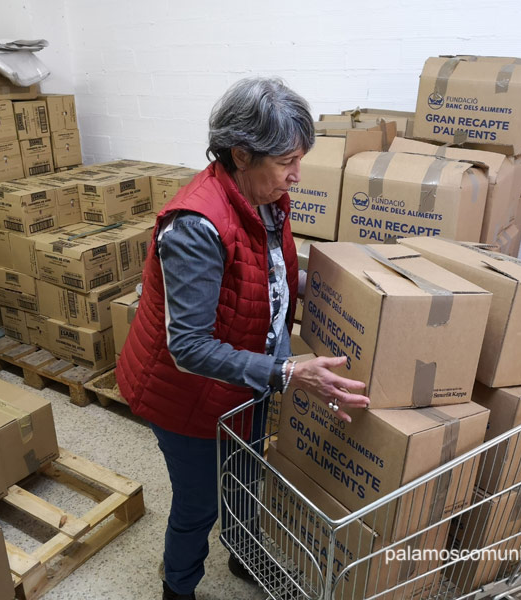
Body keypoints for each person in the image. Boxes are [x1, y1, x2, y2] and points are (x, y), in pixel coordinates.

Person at [115, 77, 370, 600]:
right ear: (241, 154)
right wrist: (286, 372)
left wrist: (361, 287)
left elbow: (270, 274)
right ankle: (178, 588)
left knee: (243, 478)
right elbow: (187, 347)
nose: (297, 176)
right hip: (186, 394)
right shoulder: (196, 225)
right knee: (198, 504)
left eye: (301, 159)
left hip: (244, 384)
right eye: (287, 162)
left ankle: (242, 553)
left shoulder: (265, 200)